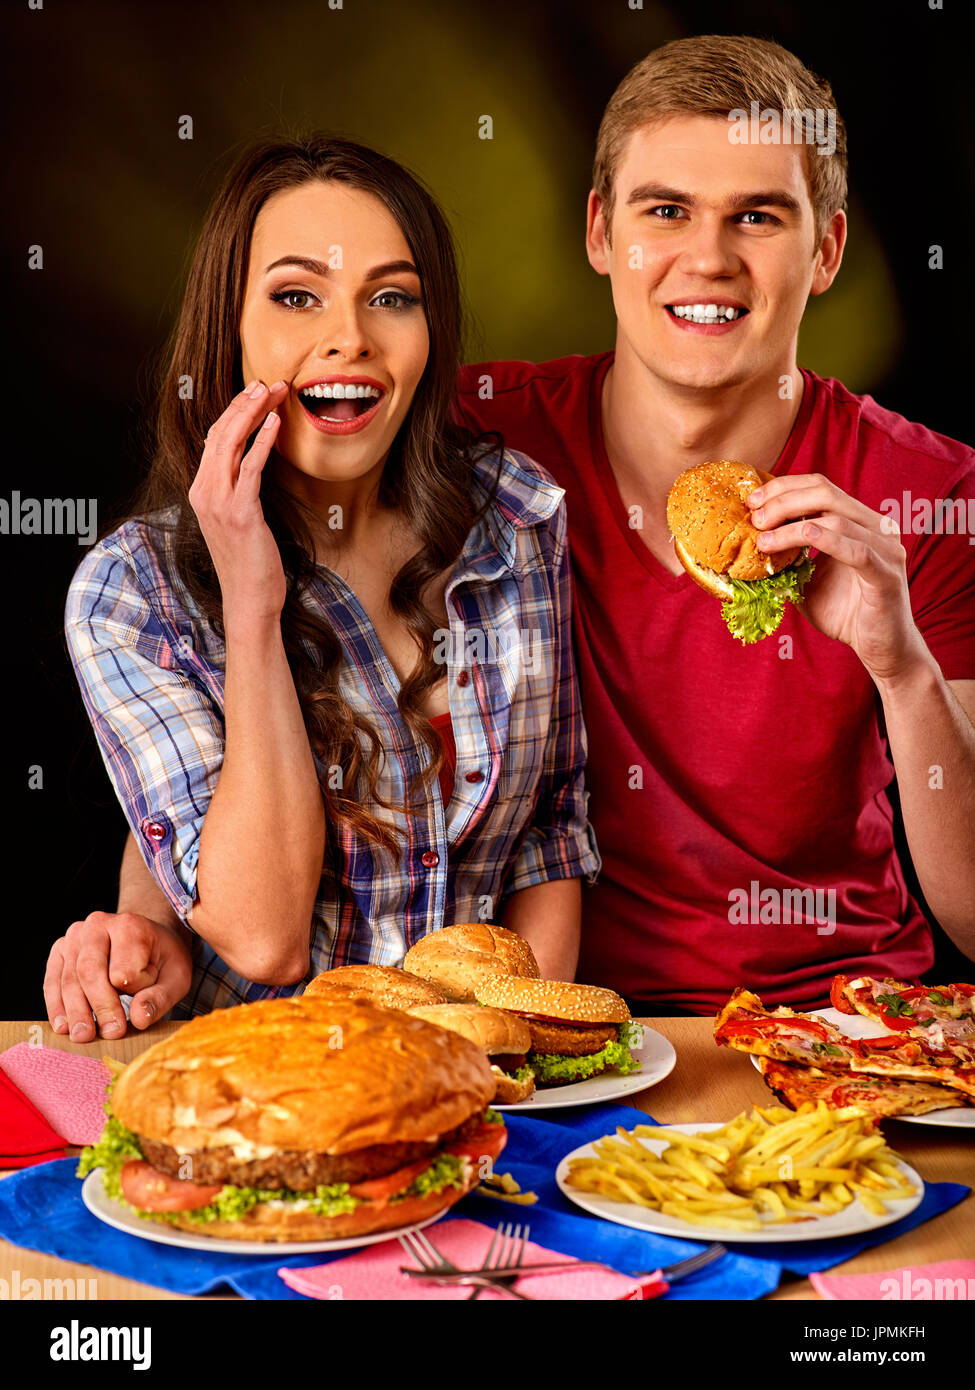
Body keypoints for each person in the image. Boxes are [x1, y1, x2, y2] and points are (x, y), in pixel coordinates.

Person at [53, 33, 975, 1032]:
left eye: (759, 216)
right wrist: (149, 915)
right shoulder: (481, 442)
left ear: (828, 248)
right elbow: (211, 670)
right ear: (599, 232)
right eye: (665, 210)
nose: (707, 256)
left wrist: (904, 666)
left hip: (838, 1019)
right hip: (585, 1033)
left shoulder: (923, 490)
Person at [46, 135, 599, 1041]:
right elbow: (263, 939)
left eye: (391, 298)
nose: (349, 336)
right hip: (260, 1090)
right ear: (228, 327)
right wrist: (252, 604)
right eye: (296, 296)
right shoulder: (128, 594)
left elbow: (550, 830)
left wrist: (509, 1061)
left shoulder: (517, 519)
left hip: (493, 1092)